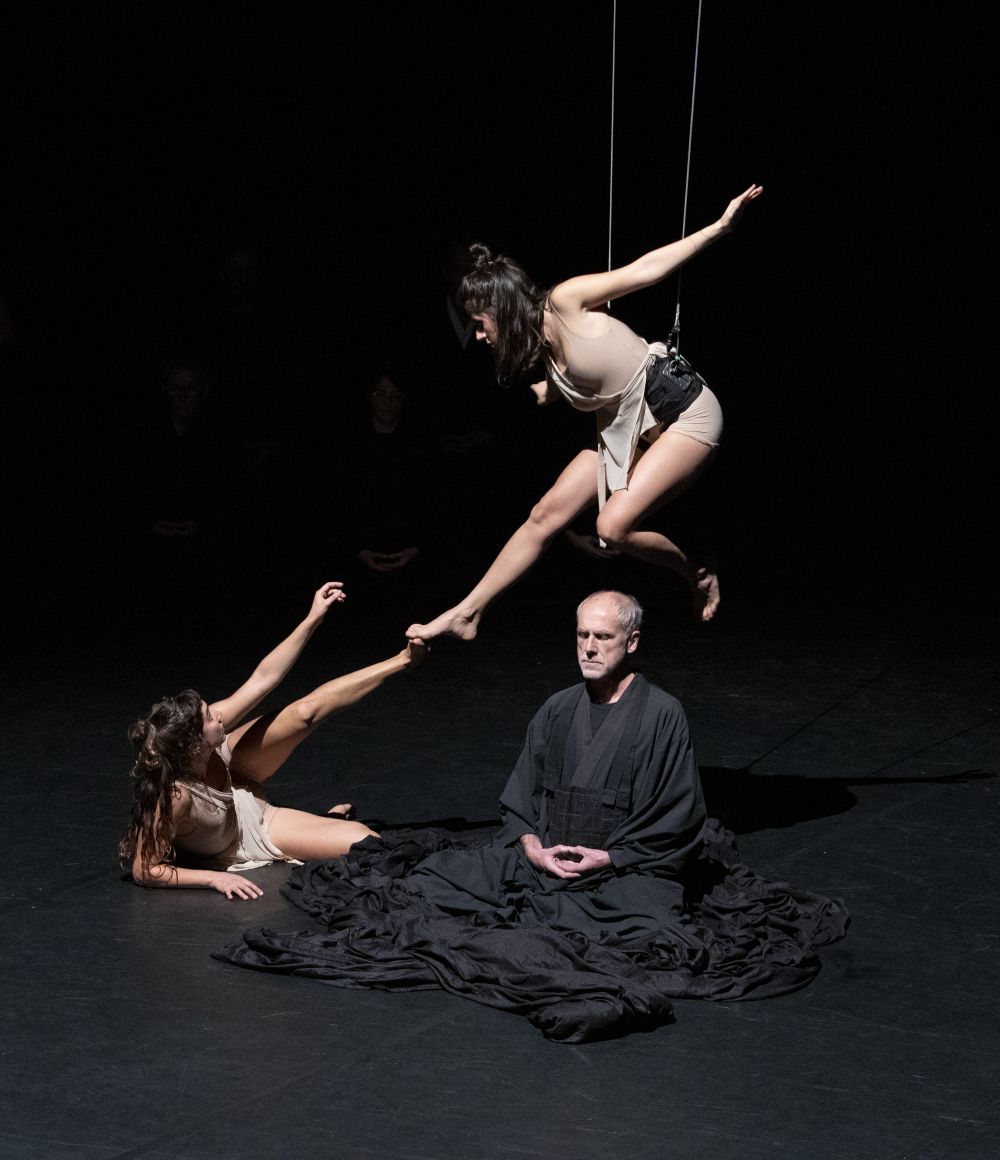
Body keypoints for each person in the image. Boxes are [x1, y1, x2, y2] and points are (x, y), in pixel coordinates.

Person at [218, 590, 847, 1042]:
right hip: (544, 857)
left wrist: (611, 856)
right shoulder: (556, 708)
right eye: (582, 635)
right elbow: (521, 795)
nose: (589, 647)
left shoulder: (662, 715)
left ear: (631, 642)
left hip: (625, 867)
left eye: (603, 637)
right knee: (433, 882)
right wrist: (530, 844)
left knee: (648, 933)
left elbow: (677, 812)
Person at [406, 185, 763, 644]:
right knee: (545, 514)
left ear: (501, 310)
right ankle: (468, 612)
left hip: (684, 412)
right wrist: (542, 392)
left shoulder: (565, 301)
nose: (478, 335)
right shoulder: (543, 347)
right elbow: (576, 381)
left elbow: (645, 270)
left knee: (611, 528)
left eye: (480, 323)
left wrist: (719, 227)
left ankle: (697, 571)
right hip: (628, 427)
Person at [120, 582, 424, 899]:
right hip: (249, 830)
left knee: (303, 712)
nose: (219, 715)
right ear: (194, 744)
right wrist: (213, 879)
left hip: (234, 772)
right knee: (365, 842)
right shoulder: (175, 796)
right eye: (209, 717)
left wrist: (313, 618)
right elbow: (145, 869)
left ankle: (402, 659)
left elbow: (264, 678)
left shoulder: (202, 738)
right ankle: (326, 822)